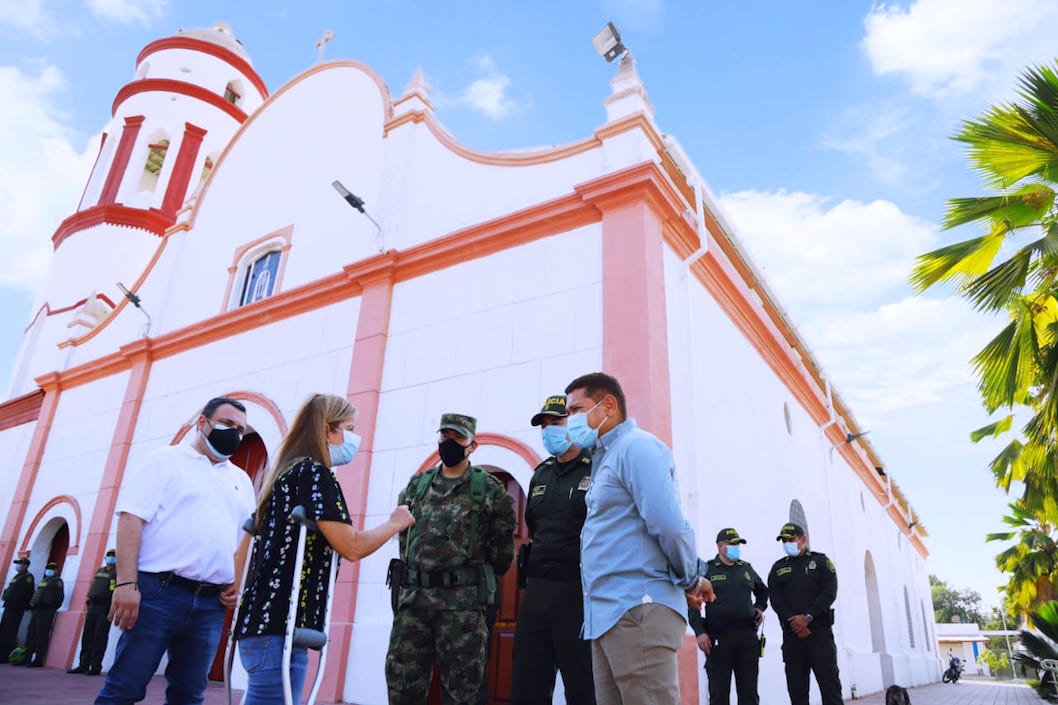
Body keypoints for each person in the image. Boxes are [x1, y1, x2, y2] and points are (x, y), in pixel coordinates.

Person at [233, 393, 415, 705]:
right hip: (280, 626)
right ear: (327, 430)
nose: (353, 438)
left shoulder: (282, 476)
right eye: (349, 427)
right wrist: (394, 523)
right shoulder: (315, 475)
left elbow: (250, 542)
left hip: (265, 623)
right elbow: (352, 546)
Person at [95, 396, 256, 705]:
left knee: (189, 695)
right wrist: (126, 583)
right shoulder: (163, 461)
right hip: (158, 594)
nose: (234, 433)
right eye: (227, 424)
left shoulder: (241, 480)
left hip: (210, 604)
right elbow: (131, 519)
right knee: (124, 688)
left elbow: (239, 539)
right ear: (202, 423)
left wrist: (236, 581)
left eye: (240, 429)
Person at [566, 372, 713, 705]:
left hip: (637, 610)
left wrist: (690, 577)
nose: (570, 420)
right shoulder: (603, 461)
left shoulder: (637, 448)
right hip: (606, 616)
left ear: (608, 405)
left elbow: (669, 524)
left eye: (577, 410)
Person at [385, 412, 517, 705]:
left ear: (473, 445)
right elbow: (404, 537)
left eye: (458, 438)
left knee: (464, 693)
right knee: (402, 687)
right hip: (413, 606)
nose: (450, 443)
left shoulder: (490, 491)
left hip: (462, 610)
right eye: (445, 437)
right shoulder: (416, 486)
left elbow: (502, 554)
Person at [510, 394, 595, 705]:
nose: (548, 431)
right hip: (537, 590)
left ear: (573, 423)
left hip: (577, 591)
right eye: (544, 426)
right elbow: (534, 523)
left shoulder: (595, 467)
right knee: (527, 683)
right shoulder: (541, 474)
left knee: (583, 684)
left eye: (555, 423)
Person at [688, 528, 768, 705]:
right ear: (720, 546)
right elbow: (692, 603)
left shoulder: (746, 569)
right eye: (732, 544)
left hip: (747, 638)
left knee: (749, 695)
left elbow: (762, 591)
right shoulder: (707, 570)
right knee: (719, 694)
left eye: (737, 544)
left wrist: (759, 608)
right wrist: (700, 632)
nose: (736, 547)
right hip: (718, 640)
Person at [767, 523, 842, 705]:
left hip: (820, 634)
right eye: (784, 541)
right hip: (793, 637)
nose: (787, 543)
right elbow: (776, 600)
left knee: (830, 688)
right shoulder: (778, 569)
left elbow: (829, 592)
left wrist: (808, 617)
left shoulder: (821, 562)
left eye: (791, 539)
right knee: (797, 692)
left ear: (803, 539)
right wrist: (794, 621)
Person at [69, 548, 117, 675]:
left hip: (105, 606)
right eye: (109, 555)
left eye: (113, 556)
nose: (111, 558)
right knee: (87, 636)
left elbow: (114, 590)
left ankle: (95, 666)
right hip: (93, 606)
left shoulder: (116, 573)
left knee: (99, 637)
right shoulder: (100, 571)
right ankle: (83, 664)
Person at [22, 560, 64, 667]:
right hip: (37, 609)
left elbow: (59, 597)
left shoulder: (57, 581)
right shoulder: (44, 580)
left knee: (41, 634)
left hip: (47, 610)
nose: (49, 570)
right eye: (48, 568)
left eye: (52, 569)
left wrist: (52, 607)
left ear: (56, 570)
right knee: (31, 633)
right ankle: (26, 657)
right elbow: (38, 594)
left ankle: (38, 659)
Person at [0, 556, 34, 663]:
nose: (18, 566)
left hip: (16, 607)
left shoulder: (28, 577)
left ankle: (4, 656)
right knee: (3, 630)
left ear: (25, 565)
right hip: (9, 605)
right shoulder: (18, 576)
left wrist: (24, 604)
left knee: (9, 632)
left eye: (20, 564)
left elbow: (29, 593)